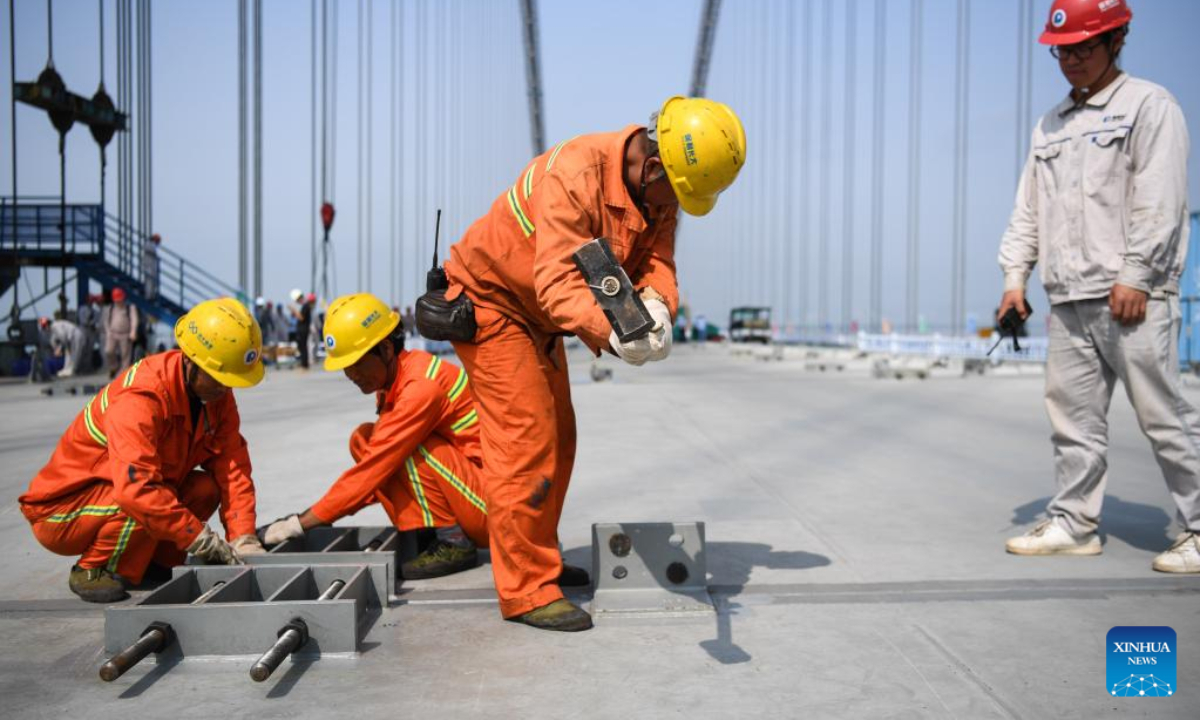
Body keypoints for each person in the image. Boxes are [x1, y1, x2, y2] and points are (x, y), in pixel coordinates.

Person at [440, 96, 745, 630]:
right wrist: (614, 333)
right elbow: (557, 284)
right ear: (653, 167)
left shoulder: (660, 189)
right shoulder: (575, 174)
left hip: (538, 314)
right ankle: (527, 590)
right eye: (673, 194)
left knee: (561, 434)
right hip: (493, 302)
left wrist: (658, 307)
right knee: (525, 439)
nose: (672, 207)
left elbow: (656, 261)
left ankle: (541, 557)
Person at [999, 0, 1198, 572]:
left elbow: (1160, 201)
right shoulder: (1052, 124)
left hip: (1130, 297)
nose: (1071, 60)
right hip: (1069, 298)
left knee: (1165, 418)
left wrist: (1136, 274)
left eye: (1085, 47)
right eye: (1063, 49)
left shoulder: (1148, 106)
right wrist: (1016, 278)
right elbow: (1027, 210)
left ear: (1117, 39)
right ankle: (1074, 522)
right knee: (1073, 422)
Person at [19, 298, 268, 602]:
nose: (225, 389)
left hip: (123, 492)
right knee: (140, 498)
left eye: (231, 382)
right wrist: (198, 539)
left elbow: (232, 464)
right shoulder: (142, 398)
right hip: (64, 511)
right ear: (191, 360)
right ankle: (94, 568)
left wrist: (243, 536)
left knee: (205, 488)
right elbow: (136, 489)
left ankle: (157, 563)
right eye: (219, 379)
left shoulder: (216, 397)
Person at [260, 293, 489, 579]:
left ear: (385, 349)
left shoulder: (419, 388)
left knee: (407, 448)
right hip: (465, 489)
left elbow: (375, 470)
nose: (350, 374)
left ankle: (453, 541)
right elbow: (375, 475)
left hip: (493, 507)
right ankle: (425, 531)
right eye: (345, 366)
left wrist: (300, 523)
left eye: (356, 363)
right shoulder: (393, 378)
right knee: (365, 438)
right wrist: (327, 512)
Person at [102, 287, 139, 378]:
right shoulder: (110, 308)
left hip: (125, 334)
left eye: (120, 299)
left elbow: (134, 319)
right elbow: (106, 321)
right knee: (108, 351)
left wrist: (133, 331)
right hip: (112, 333)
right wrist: (108, 332)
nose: (118, 302)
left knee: (125, 355)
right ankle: (113, 367)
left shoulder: (130, 308)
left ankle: (122, 375)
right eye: (116, 300)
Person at [143, 233, 161, 300]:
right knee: (149, 281)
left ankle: (152, 295)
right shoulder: (149, 244)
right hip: (149, 266)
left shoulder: (151, 245)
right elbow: (150, 250)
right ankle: (149, 296)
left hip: (152, 266)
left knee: (153, 281)